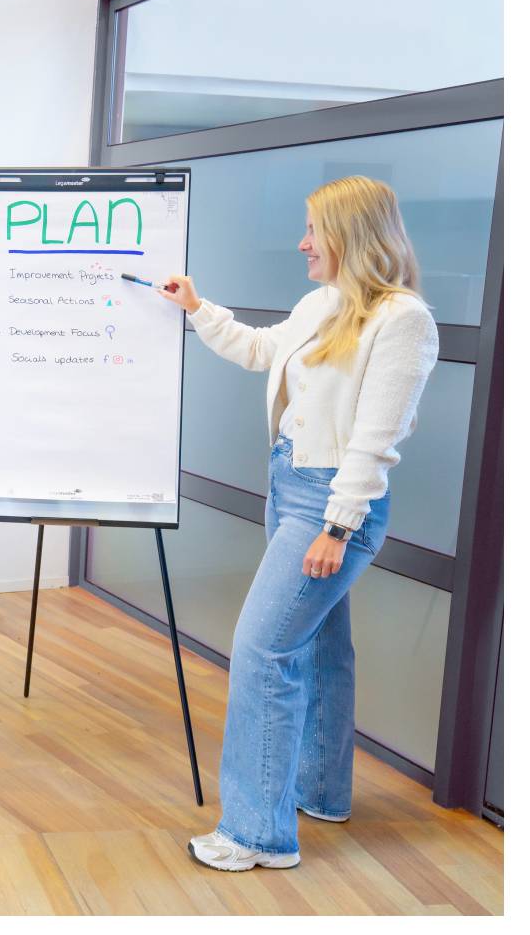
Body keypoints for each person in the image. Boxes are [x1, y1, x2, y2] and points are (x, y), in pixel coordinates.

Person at [156, 177, 439, 871]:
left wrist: (336, 527)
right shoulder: (321, 302)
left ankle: (256, 834)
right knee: (314, 647)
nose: (301, 242)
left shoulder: (400, 319)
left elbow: (377, 436)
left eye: (313, 229)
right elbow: (260, 349)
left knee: (262, 651)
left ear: (351, 234)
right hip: (289, 482)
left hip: (335, 501)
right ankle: (319, 790)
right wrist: (197, 309)